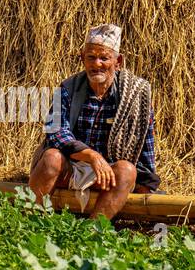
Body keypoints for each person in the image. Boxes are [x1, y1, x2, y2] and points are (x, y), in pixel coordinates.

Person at [29, 23, 158, 221]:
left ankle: (92, 233)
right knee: (51, 157)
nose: (96, 64)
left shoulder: (136, 95)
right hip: (70, 167)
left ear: (118, 61)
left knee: (127, 170)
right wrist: (91, 156)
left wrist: (147, 185)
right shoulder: (68, 88)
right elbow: (55, 132)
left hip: (107, 176)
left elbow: (145, 145)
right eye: (91, 57)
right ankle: (29, 221)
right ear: (82, 59)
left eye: (104, 58)